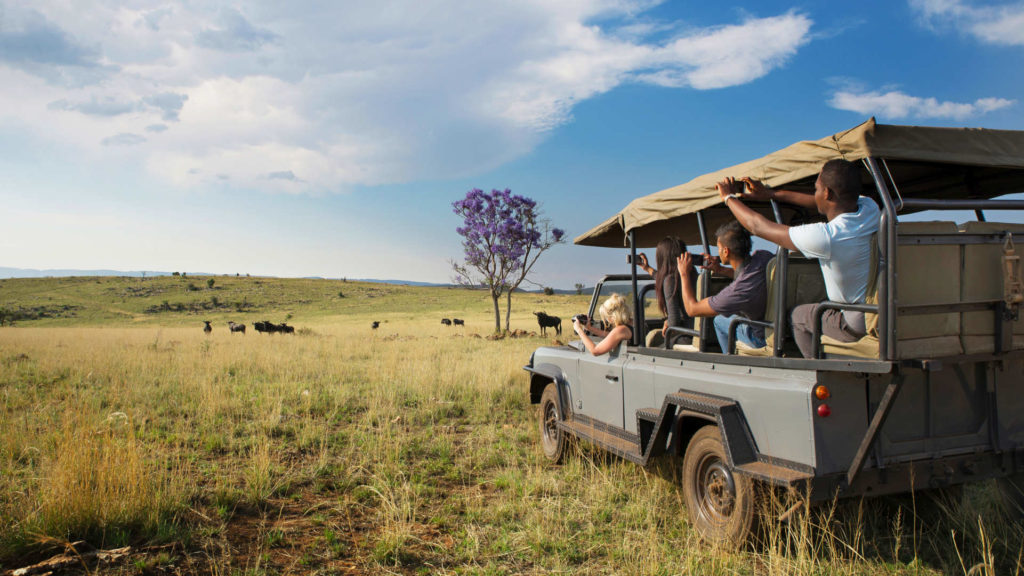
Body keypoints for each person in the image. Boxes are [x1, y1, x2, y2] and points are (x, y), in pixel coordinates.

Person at [719, 159, 880, 358]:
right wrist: (771, 195)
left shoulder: (828, 236)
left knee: (797, 316)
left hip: (854, 322)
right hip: (880, 312)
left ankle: (815, 367)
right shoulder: (870, 208)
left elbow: (757, 226)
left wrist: (728, 197)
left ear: (827, 193)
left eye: (817, 189)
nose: (815, 194)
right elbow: (821, 201)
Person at [676, 221, 773, 353]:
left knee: (719, 320)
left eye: (719, 248)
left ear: (726, 251)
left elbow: (692, 309)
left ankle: (728, 359)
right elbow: (748, 276)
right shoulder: (764, 257)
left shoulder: (737, 291)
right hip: (779, 328)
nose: (718, 252)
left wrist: (683, 274)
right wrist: (720, 269)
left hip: (761, 337)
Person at [636, 237, 692, 347]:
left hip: (688, 336)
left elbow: (674, 321)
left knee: (653, 348)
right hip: (697, 333)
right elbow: (663, 278)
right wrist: (647, 268)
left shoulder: (671, 279)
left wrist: (668, 322)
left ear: (662, 258)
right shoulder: (691, 273)